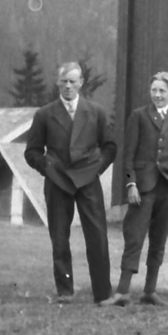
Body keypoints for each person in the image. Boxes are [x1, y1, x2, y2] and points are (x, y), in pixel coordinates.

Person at [24, 62, 118, 306]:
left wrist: (97, 169)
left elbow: (110, 147)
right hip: (58, 182)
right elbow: (32, 152)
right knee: (59, 236)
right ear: (58, 83)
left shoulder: (96, 112)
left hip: (88, 180)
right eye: (64, 81)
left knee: (97, 236)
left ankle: (102, 293)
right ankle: (65, 291)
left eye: (72, 81)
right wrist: (47, 167)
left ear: (81, 83)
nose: (68, 86)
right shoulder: (44, 114)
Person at [102, 72, 168, 307]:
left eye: (162, 91)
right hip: (143, 189)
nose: (158, 95)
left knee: (159, 240)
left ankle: (149, 291)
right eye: (154, 90)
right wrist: (131, 184)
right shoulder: (139, 117)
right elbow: (128, 156)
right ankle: (122, 291)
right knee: (134, 237)